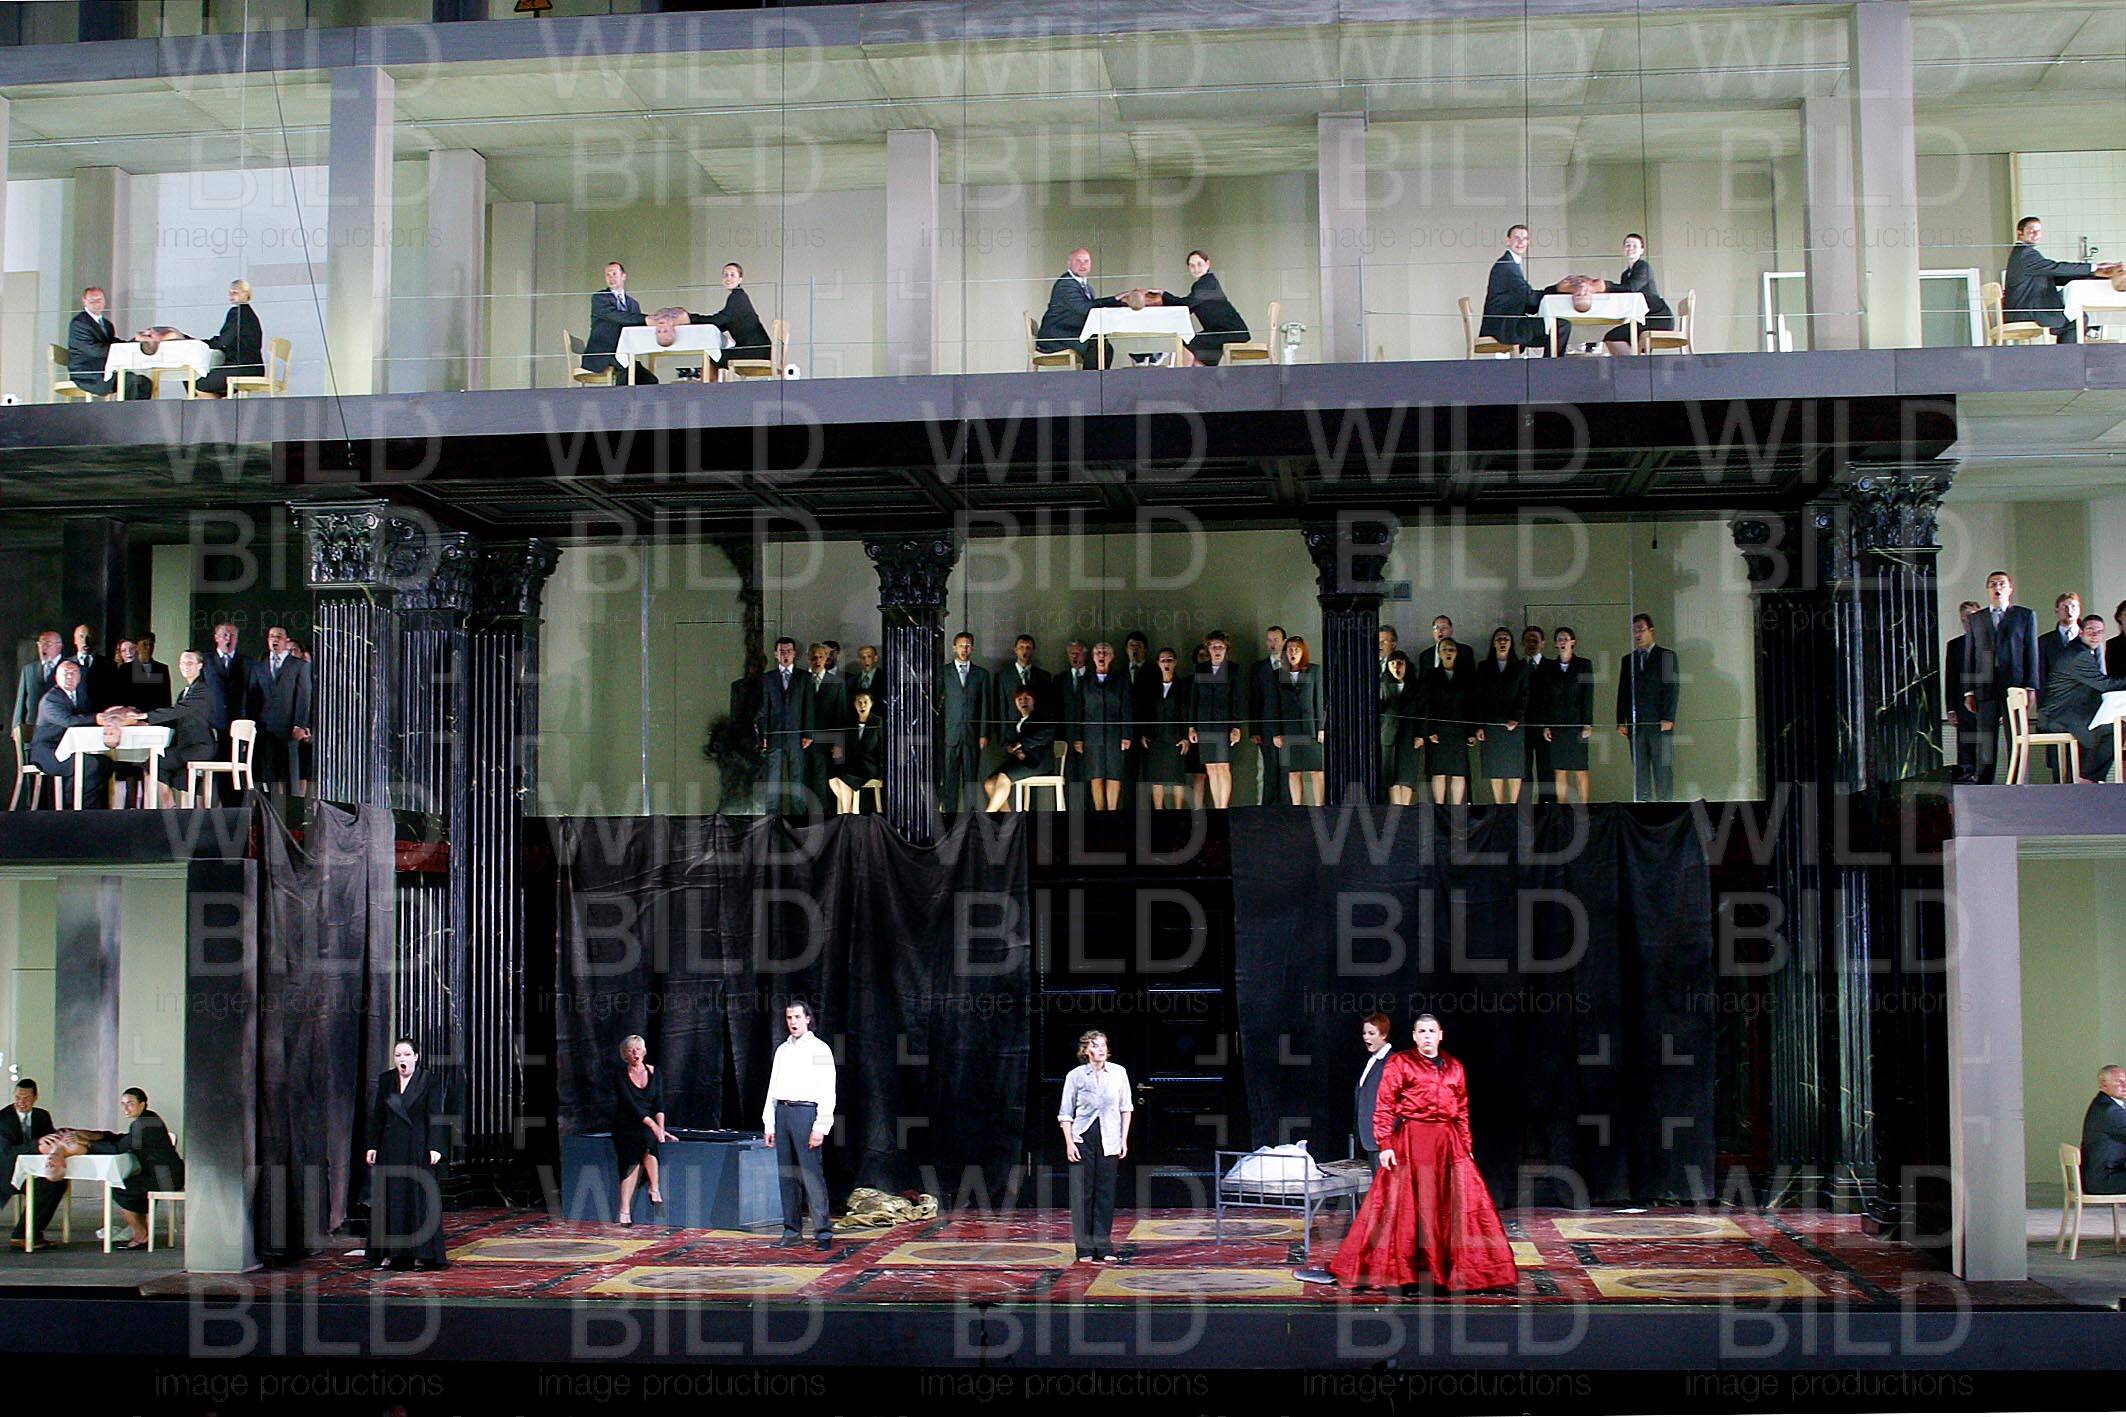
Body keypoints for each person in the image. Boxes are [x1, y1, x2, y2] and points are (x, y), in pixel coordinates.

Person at [1327, 1015, 1517, 1293]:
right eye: (1421, 1031)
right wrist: (1385, 1144)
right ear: (1414, 1036)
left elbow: (1462, 1110)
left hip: (1447, 1143)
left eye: (1431, 1031)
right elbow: (1384, 1104)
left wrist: (1466, 1146)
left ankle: (1455, 1271)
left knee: (1456, 1204)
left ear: (1441, 1035)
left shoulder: (1455, 1067)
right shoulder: (1401, 1063)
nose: (1427, 1035)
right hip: (1412, 1141)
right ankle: (1407, 1271)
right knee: (1405, 1206)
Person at [363, 1038, 450, 1270]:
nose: (402, 1059)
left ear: (416, 1057)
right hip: (391, 1147)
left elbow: (435, 1115)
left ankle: (420, 1254)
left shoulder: (428, 1080)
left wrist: (435, 1147)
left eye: (406, 1054)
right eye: (398, 1055)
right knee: (390, 1199)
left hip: (416, 1146)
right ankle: (388, 1253)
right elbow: (378, 1115)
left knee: (417, 1199)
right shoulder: (387, 1080)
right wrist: (372, 1145)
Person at [762, 1000, 836, 1251]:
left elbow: (828, 1089)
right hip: (783, 1112)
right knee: (787, 1175)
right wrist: (769, 1124)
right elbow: (773, 1087)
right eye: (789, 1018)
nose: (792, 1022)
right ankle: (792, 1230)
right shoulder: (782, 1050)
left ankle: (823, 1232)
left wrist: (820, 1126)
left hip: (805, 1113)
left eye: (796, 1017)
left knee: (811, 1174)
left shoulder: (820, 1049)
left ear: (807, 1019)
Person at [1057, 1029, 1131, 1263]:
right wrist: (1069, 1143)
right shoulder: (1076, 1076)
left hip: (1109, 1137)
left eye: (1103, 1045)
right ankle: (1085, 1249)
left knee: (1105, 1193)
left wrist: (1123, 1139)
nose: (1100, 1050)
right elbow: (1065, 1113)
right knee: (1083, 1194)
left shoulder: (1118, 1073)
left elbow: (1126, 1108)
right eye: (1095, 1046)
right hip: (1083, 1137)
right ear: (1086, 1050)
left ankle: (1103, 1246)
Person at [1962, 571, 2041, 784]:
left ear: (2010, 589)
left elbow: (2031, 652)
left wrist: (2031, 687)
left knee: (2015, 736)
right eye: (1993, 584)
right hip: (1985, 686)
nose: (1997, 587)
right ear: (1988, 589)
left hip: (2014, 685)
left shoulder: (2024, 615)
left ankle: (2019, 782)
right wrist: (1969, 690)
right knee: (1985, 740)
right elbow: (1970, 654)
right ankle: (1984, 783)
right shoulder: (1976, 618)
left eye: (2002, 584)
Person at [87, 1086, 185, 1251]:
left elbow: (118, 1148)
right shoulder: (149, 1119)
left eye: (130, 1104)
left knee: (119, 1188)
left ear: (142, 1104)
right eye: (123, 1104)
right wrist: (102, 1136)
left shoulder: (142, 1124)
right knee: (130, 1185)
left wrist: (88, 1145)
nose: (126, 1108)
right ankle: (142, 1229)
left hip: (166, 1179)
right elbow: (126, 1139)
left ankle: (141, 1235)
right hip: (171, 1174)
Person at [2004, 216, 2122, 343]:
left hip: (2024, 310)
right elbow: (2056, 268)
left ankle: (2068, 352)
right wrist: (2094, 268)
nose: (2036, 235)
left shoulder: (2023, 253)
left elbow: (2055, 276)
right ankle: (2068, 354)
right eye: (2032, 231)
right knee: (2075, 320)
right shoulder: (2025, 254)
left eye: (2039, 231)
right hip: (2026, 312)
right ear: (2020, 232)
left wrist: (2094, 273)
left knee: (2077, 317)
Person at [2037, 616, 2126, 781]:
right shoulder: (2079, 655)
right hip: (2059, 715)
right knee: (2114, 730)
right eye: (2090, 630)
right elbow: (2104, 684)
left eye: (2099, 632)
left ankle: (2084, 777)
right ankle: (2087, 778)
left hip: (2067, 712)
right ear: (2081, 632)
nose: (2095, 635)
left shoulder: (2079, 651)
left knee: (2108, 726)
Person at [126, 651, 216, 807]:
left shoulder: (202, 689)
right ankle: (175, 810)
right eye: (182, 663)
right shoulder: (186, 691)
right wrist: (147, 723)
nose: (185, 666)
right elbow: (177, 719)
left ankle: (170, 808)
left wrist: (144, 716)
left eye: (190, 663)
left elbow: (177, 711)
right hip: (185, 746)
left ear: (200, 666)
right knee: (169, 771)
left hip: (199, 747)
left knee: (153, 763)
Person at [30, 660, 120, 807]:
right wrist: (96, 718)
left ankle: (93, 809)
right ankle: (75, 809)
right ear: (57, 677)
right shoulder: (51, 699)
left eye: (74, 673)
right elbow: (69, 721)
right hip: (48, 752)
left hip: (70, 749)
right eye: (65, 673)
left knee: (105, 763)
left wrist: (111, 716)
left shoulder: (80, 696)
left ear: (80, 677)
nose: (69, 676)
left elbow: (86, 717)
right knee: (89, 764)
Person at [1615, 613, 1680, 802]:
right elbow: (1623, 692)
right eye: (1634, 631)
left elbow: (1672, 688)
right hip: (1636, 725)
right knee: (1640, 772)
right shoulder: (1629, 660)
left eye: (1641, 630)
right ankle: (1643, 807)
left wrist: (1669, 717)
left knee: (1663, 771)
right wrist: (1621, 720)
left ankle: (1665, 808)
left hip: (1660, 723)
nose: (1637, 634)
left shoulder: (1666, 656)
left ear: (1651, 631)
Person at [1479, 225, 1568, 354]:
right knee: (1561, 326)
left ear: (1528, 242)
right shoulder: (1506, 266)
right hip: (1503, 327)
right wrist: (1557, 289)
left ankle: (1548, 364)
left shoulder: (1509, 263)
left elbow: (1525, 300)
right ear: (1508, 241)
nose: (1521, 242)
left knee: (1553, 332)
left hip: (1506, 324)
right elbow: (1530, 298)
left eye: (1524, 239)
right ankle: (1550, 365)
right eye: (1517, 238)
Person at [1036, 247, 1126, 370]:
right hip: (1056, 337)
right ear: (1069, 263)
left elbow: (1091, 308)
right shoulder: (1066, 284)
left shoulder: (1085, 286)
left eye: (1086, 261)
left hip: (1069, 331)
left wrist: (1118, 301)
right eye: (1078, 261)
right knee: (1095, 343)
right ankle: (1090, 380)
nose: (1082, 265)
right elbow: (1085, 309)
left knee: (1106, 348)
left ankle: (1098, 379)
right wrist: (1115, 299)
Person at [612, 1035, 668, 1226]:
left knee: (649, 1140)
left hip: (648, 1124)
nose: (635, 1053)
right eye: (630, 1050)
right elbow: (630, 1105)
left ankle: (654, 1188)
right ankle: (624, 1210)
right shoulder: (620, 1075)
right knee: (633, 1159)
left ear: (643, 1051)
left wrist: (661, 1129)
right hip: (627, 1124)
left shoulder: (655, 1073)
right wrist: (653, 1126)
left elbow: (659, 1104)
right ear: (625, 1055)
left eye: (637, 1049)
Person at [1159, 250, 1250, 366]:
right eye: (1192, 266)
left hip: (1230, 332)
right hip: (1221, 332)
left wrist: (1164, 295)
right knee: (1198, 357)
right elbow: (1188, 307)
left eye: (1199, 264)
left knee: (1187, 343)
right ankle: (1197, 376)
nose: (1196, 269)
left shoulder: (1207, 282)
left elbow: (1187, 304)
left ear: (1207, 264)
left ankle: (1182, 375)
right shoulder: (1205, 283)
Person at [1071, 642, 1131, 812]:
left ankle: (1112, 814)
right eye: (1098, 652)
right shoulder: (1084, 680)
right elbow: (1078, 711)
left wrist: (1126, 735)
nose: (1101, 655)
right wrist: (1078, 737)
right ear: (1092, 657)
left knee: (1114, 774)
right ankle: (1099, 815)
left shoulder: (1121, 679)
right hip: (1092, 735)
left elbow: (1127, 708)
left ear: (1112, 657)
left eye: (1105, 652)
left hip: (1115, 735)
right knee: (1095, 775)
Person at [2, 1079, 62, 1246]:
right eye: (17, 1098)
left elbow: (50, 1140)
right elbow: (7, 1152)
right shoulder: (3, 1119)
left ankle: (32, 1232)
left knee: (58, 1181)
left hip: (34, 1169)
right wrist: (37, 1144)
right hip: (7, 1172)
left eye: (26, 1098)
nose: (21, 1102)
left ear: (35, 1097)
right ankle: (22, 1235)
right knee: (46, 1185)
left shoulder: (42, 1116)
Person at [253, 626, 313, 795]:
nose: (275, 639)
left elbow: (304, 696)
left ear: (286, 641)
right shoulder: (259, 667)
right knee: (269, 776)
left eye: (279, 636)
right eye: (272, 636)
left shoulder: (299, 665)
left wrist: (299, 725)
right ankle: (270, 809)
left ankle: (293, 809)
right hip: (265, 729)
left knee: (290, 777)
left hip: (288, 729)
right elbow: (252, 696)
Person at [1188, 630, 1244, 809]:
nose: (1217, 650)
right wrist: (1191, 726)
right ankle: (1216, 806)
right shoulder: (1201, 669)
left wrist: (1236, 726)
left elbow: (1238, 699)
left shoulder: (1233, 669)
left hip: (1224, 724)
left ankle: (1223, 807)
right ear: (1208, 649)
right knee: (1211, 767)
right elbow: (1194, 699)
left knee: (1223, 766)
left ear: (1226, 649)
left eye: (1220, 646)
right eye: (1213, 647)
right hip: (1205, 724)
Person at [756, 636, 811, 815]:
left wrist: (808, 734)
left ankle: (799, 819)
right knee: (772, 780)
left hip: (797, 736)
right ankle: (771, 819)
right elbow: (764, 709)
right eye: (782, 651)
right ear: (775, 654)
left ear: (794, 654)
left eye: (788, 651)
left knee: (797, 779)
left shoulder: (804, 677)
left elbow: (808, 707)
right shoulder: (768, 678)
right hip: (775, 735)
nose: (785, 655)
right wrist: (763, 735)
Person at [1539, 627, 1595, 804]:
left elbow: (1588, 694)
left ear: (1573, 642)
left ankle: (1583, 806)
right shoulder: (1548, 667)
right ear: (1556, 644)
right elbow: (1544, 698)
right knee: (1559, 769)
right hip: (1556, 723)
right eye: (1559, 639)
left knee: (1580, 769)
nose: (1562, 642)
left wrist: (1587, 723)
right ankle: (1561, 808)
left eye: (1565, 638)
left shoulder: (1584, 664)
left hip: (1577, 723)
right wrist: (1546, 725)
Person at [1474, 627, 1529, 804]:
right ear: (1493, 643)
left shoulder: (1521, 666)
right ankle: (1499, 807)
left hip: (1514, 726)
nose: (1502, 642)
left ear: (1511, 643)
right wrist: (1480, 725)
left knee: (1514, 769)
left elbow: (1525, 695)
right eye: (1499, 639)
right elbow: (1479, 697)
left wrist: (1516, 717)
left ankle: (1512, 807)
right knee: (1495, 768)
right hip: (1492, 724)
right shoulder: (1484, 667)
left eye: (1506, 638)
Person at [1418, 638, 1475, 805]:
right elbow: (1425, 704)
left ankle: (1457, 809)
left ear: (1457, 653)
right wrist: (1429, 730)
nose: (1448, 652)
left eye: (1452, 649)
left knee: (1459, 772)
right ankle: (1439, 809)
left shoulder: (1466, 676)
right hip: (1438, 730)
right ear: (1439, 653)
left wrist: (1471, 731)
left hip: (1459, 729)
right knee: (1438, 772)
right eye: (1444, 649)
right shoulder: (1430, 675)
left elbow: (1471, 704)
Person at [67, 286, 150, 398]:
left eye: (99, 299)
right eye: (92, 300)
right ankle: (127, 410)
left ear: (104, 301)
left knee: (144, 383)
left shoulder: (106, 324)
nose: (97, 303)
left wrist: (136, 341)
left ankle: (134, 409)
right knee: (132, 381)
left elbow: (114, 344)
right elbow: (94, 351)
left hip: (105, 370)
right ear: (84, 301)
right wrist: (124, 350)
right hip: (88, 374)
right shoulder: (79, 323)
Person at [690, 261, 773, 369]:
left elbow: (719, 320)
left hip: (756, 351)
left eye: (732, 275)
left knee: (713, 356)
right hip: (760, 350)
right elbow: (722, 323)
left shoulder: (737, 297)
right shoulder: (738, 296)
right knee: (715, 355)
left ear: (740, 279)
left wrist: (691, 318)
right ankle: (710, 380)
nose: (728, 278)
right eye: (725, 275)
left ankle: (706, 380)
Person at [189, 279, 265, 397]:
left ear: (246, 294)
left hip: (240, 368)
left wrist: (200, 343)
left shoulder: (237, 312)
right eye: (230, 293)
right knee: (211, 386)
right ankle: (220, 406)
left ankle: (218, 408)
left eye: (235, 292)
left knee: (197, 384)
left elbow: (224, 341)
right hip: (255, 368)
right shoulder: (250, 314)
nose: (231, 296)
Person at [940, 632, 989, 813]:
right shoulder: (943, 672)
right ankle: (949, 815)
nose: (964, 649)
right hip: (950, 735)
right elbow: (939, 707)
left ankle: (970, 817)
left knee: (971, 779)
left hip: (972, 735)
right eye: (961, 646)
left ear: (972, 648)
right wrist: (940, 734)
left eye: (967, 646)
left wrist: (983, 733)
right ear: (954, 648)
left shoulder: (981, 674)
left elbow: (985, 706)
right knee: (949, 779)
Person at [985, 685, 1056, 810]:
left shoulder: (1042, 718)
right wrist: (1011, 749)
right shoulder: (1016, 722)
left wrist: (1021, 744)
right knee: (990, 783)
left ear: (1033, 700)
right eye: (1019, 699)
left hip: (1038, 762)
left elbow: (1045, 735)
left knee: (1004, 777)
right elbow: (1007, 742)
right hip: (1021, 762)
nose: (1023, 702)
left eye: (1026, 698)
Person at [1602, 234, 1674, 356]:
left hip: (1657, 318)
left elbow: (1631, 289)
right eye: (1627, 245)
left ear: (1642, 250)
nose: (1630, 248)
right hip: (1644, 319)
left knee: (1612, 337)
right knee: (1615, 337)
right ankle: (1636, 361)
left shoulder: (1643, 267)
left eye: (1634, 246)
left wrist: (1606, 286)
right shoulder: (1625, 274)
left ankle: (1634, 363)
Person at [583, 261, 654, 385]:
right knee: (625, 366)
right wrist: (647, 319)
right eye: (608, 275)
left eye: (614, 274)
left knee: (649, 379)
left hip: (624, 352)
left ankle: (632, 398)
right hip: (604, 353)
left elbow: (636, 326)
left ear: (623, 276)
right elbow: (617, 316)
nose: (611, 278)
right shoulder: (599, 298)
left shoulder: (633, 303)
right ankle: (620, 397)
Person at [1275, 635, 1325, 806]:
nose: (1293, 652)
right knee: (1293, 772)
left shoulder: (1314, 670)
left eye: (1297, 649)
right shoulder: (1279, 674)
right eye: (1290, 649)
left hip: (1310, 728)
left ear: (1303, 652)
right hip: (1289, 729)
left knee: (1317, 770)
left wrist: (1321, 727)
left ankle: (1320, 807)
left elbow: (1319, 700)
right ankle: (1298, 808)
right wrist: (1277, 732)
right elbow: (1275, 705)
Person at [1140, 648, 1193, 809]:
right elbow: (1145, 712)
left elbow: (1188, 712)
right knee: (1156, 777)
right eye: (1163, 660)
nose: (1166, 663)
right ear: (1158, 663)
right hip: (1155, 737)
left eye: (1169, 660)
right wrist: (1144, 733)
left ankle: (1178, 812)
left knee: (1177, 777)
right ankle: (1159, 811)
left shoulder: (1183, 686)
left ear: (1175, 662)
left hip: (1176, 737)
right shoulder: (1151, 686)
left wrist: (1185, 737)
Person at [804, 643, 850, 808]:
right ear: (808, 659)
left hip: (826, 742)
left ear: (826, 658)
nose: (817, 661)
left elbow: (840, 716)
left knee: (823, 784)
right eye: (814, 657)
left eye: (821, 657)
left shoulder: (836, 683)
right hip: (803, 741)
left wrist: (838, 744)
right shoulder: (800, 680)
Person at [829, 690, 886, 813]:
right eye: (859, 702)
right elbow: (845, 746)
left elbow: (883, 750)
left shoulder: (878, 722)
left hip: (869, 767)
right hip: (853, 766)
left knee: (843, 778)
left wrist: (882, 774)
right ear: (854, 704)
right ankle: (850, 812)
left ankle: (847, 812)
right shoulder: (849, 722)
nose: (862, 705)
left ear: (871, 704)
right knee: (833, 779)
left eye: (865, 702)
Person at [201, 621, 254, 751]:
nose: (228, 639)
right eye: (225, 635)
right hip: (211, 724)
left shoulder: (247, 663)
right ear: (216, 638)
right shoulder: (204, 661)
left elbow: (252, 694)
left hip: (238, 723)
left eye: (233, 635)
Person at [1944, 602, 1982, 783]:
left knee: (1985, 743)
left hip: (1985, 702)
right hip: (1962, 704)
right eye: (1965, 617)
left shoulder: (1990, 642)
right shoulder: (1955, 645)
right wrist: (1950, 708)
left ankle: (1983, 777)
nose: (1968, 620)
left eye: (1972, 616)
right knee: (1965, 743)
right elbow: (1950, 678)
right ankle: (1966, 777)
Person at [1380, 651, 1423, 805]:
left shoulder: (1416, 687)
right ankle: (1396, 809)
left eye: (1400, 663)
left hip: (1410, 735)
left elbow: (1423, 712)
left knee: (1407, 776)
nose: (1396, 667)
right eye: (1392, 664)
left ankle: (1405, 810)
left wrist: (1421, 734)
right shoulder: (1382, 685)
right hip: (1388, 735)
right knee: (1391, 777)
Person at [1251, 625, 1287, 806]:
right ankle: (1268, 810)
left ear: (1284, 642)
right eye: (1269, 640)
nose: (1272, 644)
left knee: (1287, 770)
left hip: (1288, 727)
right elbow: (1254, 700)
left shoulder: (1292, 666)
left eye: (1276, 640)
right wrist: (1254, 730)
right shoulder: (1259, 668)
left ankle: (1288, 809)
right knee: (1269, 770)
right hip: (1267, 728)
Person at [992, 634, 1052, 741]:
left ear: (1033, 650)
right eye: (1021, 647)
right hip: (1011, 733)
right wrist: (1002, 738)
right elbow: (1000, 708)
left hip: (1036, 735)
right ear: (1015, 650)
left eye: (1028, 647)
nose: (1025, 651)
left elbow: (1047, 709)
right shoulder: (1003, 676)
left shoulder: (1044, 677)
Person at [1353, 1015, 1394, 1174]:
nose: (1366, 1037)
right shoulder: (1373, 1060)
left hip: (1383, 1139)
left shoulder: (1391, 1062)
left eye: (1371, 1033)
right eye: (1364, 1033)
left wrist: (1387, 1136)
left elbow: (1396, 1102)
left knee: (1386, 1184)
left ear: (1383, 1035)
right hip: (1369, 1138)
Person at [2081, 1065, 2126, 1195]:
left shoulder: (2104, 1103)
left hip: (2104, 1175)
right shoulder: (2108, 1110)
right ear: (2103, 1085)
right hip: (2104, 1179)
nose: (2124, 1086)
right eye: (2119, 1082)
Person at [12, 629, 63, 735]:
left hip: (58, 728)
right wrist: (16, 726)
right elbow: (21, 700)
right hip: (32, 727)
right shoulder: (29, 669)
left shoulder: (69, 668)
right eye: (40, 644)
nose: (43, 647)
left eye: (48, 644)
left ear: (59, 646)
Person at [68, 623, 114, 711]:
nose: (85, 641)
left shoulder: (108, 664)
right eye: (81, 636)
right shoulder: (66, 664)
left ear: (95, 640)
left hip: (100, 714)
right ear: (75, 640)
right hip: (73, 714)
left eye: (89, 637)